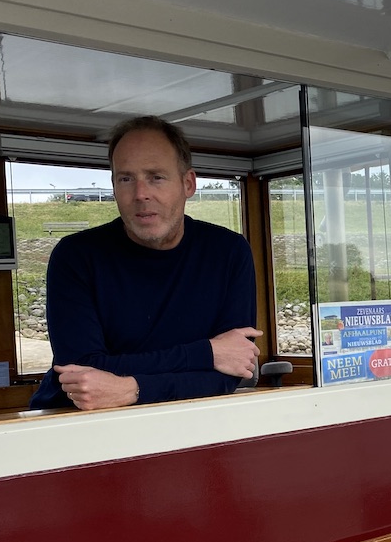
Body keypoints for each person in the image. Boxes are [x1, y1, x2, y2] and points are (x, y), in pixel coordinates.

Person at [30, 116, 261, 411]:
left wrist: (133, 389)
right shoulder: (76, 256)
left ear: (188, 184)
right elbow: (80, 374)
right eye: (126, 179)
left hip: (189, 419)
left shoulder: (228, 252)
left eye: (156, 177)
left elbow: (230, 372)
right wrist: (206, 354)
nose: (141, 194)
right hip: (74, 420)